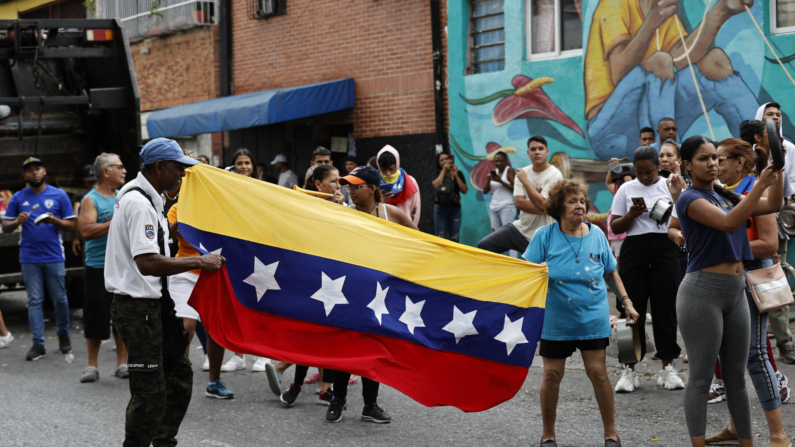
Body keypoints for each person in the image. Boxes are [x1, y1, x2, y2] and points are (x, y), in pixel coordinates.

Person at [105, 138, 225, 446]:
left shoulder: (148, 197)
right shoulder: (139, 202)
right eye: (178, 170)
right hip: (137, 308)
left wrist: (166, 234)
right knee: (150, 395)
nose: (182, 177)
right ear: (160, 167)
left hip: (155, 305)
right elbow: (146, 263)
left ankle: (163, 441)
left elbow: (147, 247)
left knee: (179, 380)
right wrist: (200, 261)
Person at [674, 135, 783, 447]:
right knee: (701, 376)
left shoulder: (722, 194)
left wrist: (778, 172)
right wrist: (760, 184)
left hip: (736, 291)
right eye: (704, 159)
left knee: (736, 377)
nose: (712, 164)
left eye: (715, 158)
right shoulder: (689, 198)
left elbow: (773, 205)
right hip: (701, 294)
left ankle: (747, 443)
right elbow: (729, 224)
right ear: (687, 165)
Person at [524, 178, 638, 447]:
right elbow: (524, 271)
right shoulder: (544, 237)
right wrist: (536, 271)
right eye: (572, 201)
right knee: (551, 375)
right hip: (556, 319)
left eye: (582, 201)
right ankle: (548, 435)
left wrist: (627, 301)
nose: (580, 206)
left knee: (598, 373)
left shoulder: (597, 234)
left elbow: (611, 272)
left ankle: (611, 434)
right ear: (558, 207)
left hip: (591, 317)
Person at [584, 0, 759, 161]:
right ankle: (672, 158)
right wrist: (652, 22)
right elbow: (619, 72)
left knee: (716, 61)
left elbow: (681, 59)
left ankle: (762, 149)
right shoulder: (615, 4)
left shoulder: (663, 10)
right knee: (660, 61)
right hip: (608, 131)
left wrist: (721, 11)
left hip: (656, 121)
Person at [323, 166, 417, 424]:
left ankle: (370, 405)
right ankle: (338, 399)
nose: (351, 191)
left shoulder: (392, 214)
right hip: (349, 292)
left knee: (373, 348)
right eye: (349, 186)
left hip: (381, 295)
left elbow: (420, 244)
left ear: (373, 188)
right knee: (346, 347)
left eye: (357, 186)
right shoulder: (345, 214)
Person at [610, 146, 685, 393]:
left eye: (649, 172)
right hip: (635, 250)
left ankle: (668, 367)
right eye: (640, 172)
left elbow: (681, 217)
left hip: (665, 248)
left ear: (657, 167)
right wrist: (631, 214)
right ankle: (628, 370)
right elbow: (616, 226)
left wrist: (675, 196)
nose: (644, 177)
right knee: (630, 310)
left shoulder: (670, 185)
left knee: (666, 310)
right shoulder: (625, 189)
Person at [272, 165, 345, 406]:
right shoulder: (306, 207)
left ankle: (326, 389)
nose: (338, 186)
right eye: (333, 182)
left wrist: (341, 210)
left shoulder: (345, 208)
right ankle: (297, 384)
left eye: (339, 182)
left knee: (332, 337)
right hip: (313, 277)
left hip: (338, 279)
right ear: (318, 185)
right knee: (310, 333)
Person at [2, 157, 76, 361]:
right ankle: (38, 344)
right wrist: (17, 220)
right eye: (30, 170)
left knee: (59, 298)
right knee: (34, 300)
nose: (34, 172)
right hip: (29, 257)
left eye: (38, 168)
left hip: (54, 256)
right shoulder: (18, 198)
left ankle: (63, 335)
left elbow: (71, 225)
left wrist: (55, 220)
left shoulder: (59, 195)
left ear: (44, 171)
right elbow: (5, 226)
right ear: (24, 175)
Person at [739, 120, 795, 365]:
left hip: (757, 260)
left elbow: (775, 203)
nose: (715, 164)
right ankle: (722, 379)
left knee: (758, 338)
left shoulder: (764, 174)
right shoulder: (721, 185)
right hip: (730, 269)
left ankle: (782, 348)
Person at [78, 153, 128, 383]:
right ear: (106, 171)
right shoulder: (91, 199)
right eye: (119, 167)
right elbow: (86, 231)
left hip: (122, 266)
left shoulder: (124, 196)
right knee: (96, 315)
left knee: (122, 316)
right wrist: (114, 221)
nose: (124, 170)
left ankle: (122, 363)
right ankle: (92, 365)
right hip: (98, 266)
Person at [221, 148, 270, 373]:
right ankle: (238, 355)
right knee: (236, 302)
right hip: (234, 251)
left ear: (254, 166)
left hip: (260, 252)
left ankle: (263, 354)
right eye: (239, 163)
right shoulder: (225, 190)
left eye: (247, 163)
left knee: (260, 302)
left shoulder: (265, 189)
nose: (244, 167)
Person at [477, 136, 563, 255]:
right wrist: (540, 202)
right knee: (484, 246)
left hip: (543, 235)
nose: (537, 152)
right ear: (528, 153)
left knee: (543, 272)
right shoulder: (522, 172)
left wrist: (526, 183)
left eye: (541, 148)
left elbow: (544, 207)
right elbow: (519, 203)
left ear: (547, 151)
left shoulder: (555, 175)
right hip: (520, 229)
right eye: (533, 149)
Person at [377, 145, 421, 226]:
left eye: (391, 169)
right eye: (384, 169)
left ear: (397, 165)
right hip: (382, 228)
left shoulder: (410, 181)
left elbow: (415, 208)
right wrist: (379, 201)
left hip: (405, 229)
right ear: (379, 167)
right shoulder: (374, 182)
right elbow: (369, 208)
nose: (388, 173)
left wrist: (412, 229)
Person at [755, 102, 795, 189]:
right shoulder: (751, 148)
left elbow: (793, 180)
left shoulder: (789, 147)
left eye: (778, 115)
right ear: (760, 118)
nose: (775, 117)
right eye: (770, 114)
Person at [432, 152, 468, 242]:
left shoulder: (458, 173)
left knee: (454, 237)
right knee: (440, 237)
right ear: (439, 163)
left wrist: (456, 176)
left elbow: (464, 190)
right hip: (440, 210)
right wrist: (444, 171)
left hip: (455, 209)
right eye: (442, 160)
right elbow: (436, 185)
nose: (445, 161)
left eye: (446, 159)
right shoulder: (438, 173)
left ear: (450, 160)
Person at [482, 151, 516, 236]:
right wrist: (488, 179)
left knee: (508, 234)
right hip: (493, 207)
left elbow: (515, 188)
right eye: (496, 161)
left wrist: (500, 181)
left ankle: (512, 250)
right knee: (495, 235)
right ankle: (497, 250)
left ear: (505, 161)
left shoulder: (509, 170)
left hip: (507, 206)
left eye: (501, 161)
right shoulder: (494, 172)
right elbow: (485, 191)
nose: (498, 163)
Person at [71, 164, 97, 257]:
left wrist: (75, 238)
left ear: (84, 179)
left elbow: (76, 217)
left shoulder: (80, 196)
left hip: (88, 240)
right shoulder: (107, 194)